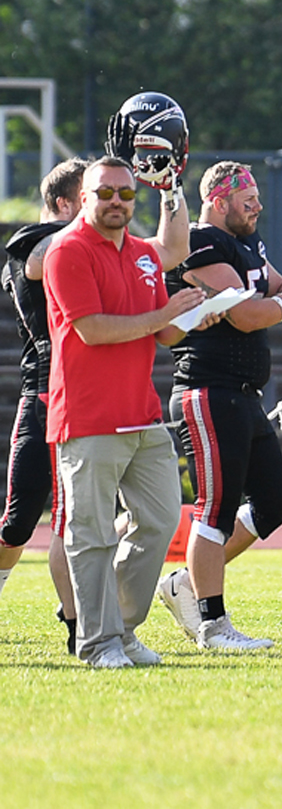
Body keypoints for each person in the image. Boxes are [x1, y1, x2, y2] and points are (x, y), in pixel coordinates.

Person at [156, 161, 282, 650]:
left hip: (242, 394)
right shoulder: (201, 243)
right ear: (219, 203)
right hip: (207, 389)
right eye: (248, 200)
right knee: (214, 510)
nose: (258, 206)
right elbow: (247, 315)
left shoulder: (247, 243)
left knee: (273, 502)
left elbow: (279, 290)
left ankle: (186, 584)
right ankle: (212, 625)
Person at [43, 156, 217, 668]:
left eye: (126, 193)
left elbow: (163, 332)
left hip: (142, 414)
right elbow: (93, 330)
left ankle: (120, 630)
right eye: (105, 193)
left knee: (161, 522)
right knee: (91, 535)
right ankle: (98, 643)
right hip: (88, 416)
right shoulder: (66, 250)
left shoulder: (141, 254)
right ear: (83, 198)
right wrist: (164, 314)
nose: (117, 201)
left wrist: (196, 315)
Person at [0, 159, 87, 653]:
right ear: (63, 204)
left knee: (91, 514)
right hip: (45, 395)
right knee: (19, 520)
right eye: (90, 195)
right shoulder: (35, 242)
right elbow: (35, 259)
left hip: (86, 393)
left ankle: (80, 618)